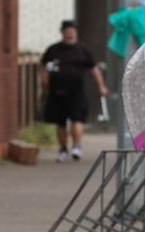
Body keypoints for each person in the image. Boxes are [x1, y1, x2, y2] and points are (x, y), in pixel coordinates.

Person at [40, 20, 108, 162]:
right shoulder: (53, 50)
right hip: (57, 92)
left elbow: (93, 69)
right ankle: (63, 149)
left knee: (77, 120)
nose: (69, 33)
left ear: (75, 32)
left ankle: (77, 146)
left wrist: (101, 86)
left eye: (72, 31)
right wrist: (44, 80)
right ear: (62, 32)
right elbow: (43, 66)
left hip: (76, 93)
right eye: (66, 31)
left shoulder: (82, 50)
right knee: (60, 123)